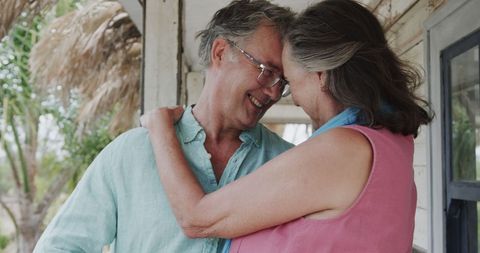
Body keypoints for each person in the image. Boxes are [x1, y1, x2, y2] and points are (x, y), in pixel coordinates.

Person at [141, 0, 434, 252]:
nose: (292, 100)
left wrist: (160, 126)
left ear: (321, 75)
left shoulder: (342, 151)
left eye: (290, 83)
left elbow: (198, 218)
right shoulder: (392, 143)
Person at [33, 1, 294, 252]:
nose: (273, 92)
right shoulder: (131, 152)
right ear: (220, 53)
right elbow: (59, 247)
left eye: (282, 81)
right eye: (266, 71)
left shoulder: (287, 164)